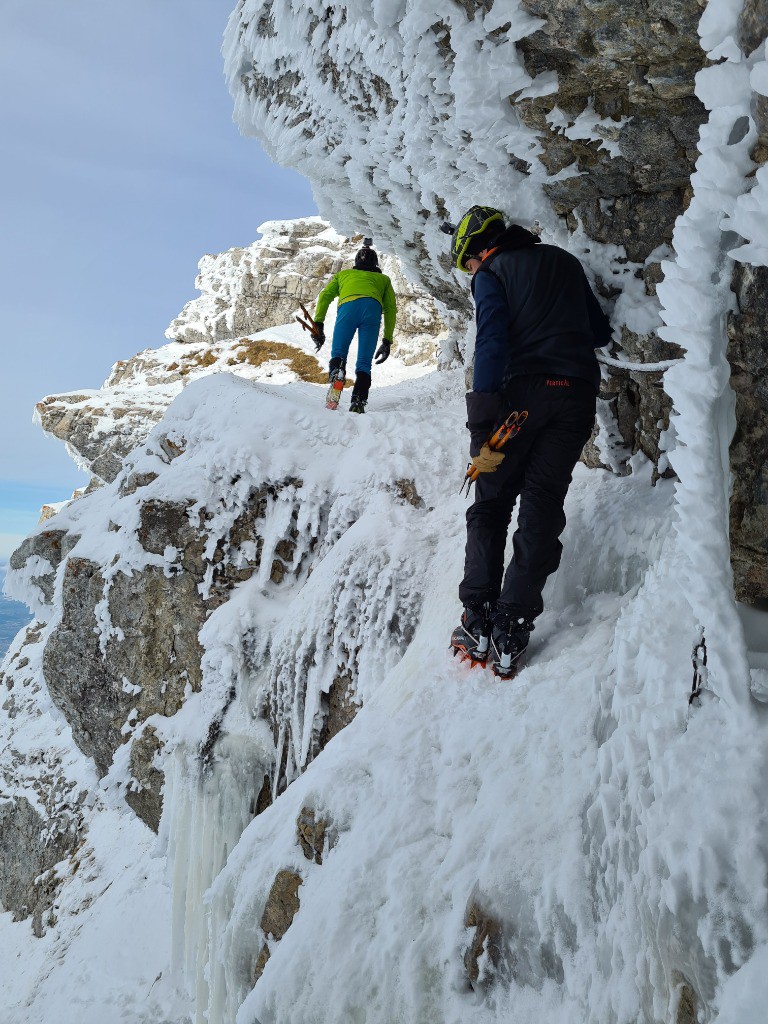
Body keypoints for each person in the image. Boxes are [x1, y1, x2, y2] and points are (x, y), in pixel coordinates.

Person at [446, 205, 612, 677]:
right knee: (542, 504)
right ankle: (512, 627)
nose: (471, 272)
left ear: (478, 249)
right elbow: (599, 332)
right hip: (576, 397)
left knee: (490, 503)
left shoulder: (492, 273)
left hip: (520, 400)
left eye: (469, 263)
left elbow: (491, 341)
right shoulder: (564, 261)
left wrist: (481, 422)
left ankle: (477, 618)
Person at [312, 241, 396, 413]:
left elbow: (325, 296)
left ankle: (337, 373)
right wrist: (387, 340)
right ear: (376, 264)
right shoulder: (384, 280)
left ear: (356, 262)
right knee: (364, 363)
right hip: (372, 311)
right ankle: (358, 401)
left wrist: (318, 323)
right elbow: (390, 310)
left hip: (348, 309)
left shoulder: (343, 275)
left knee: (339, 353)